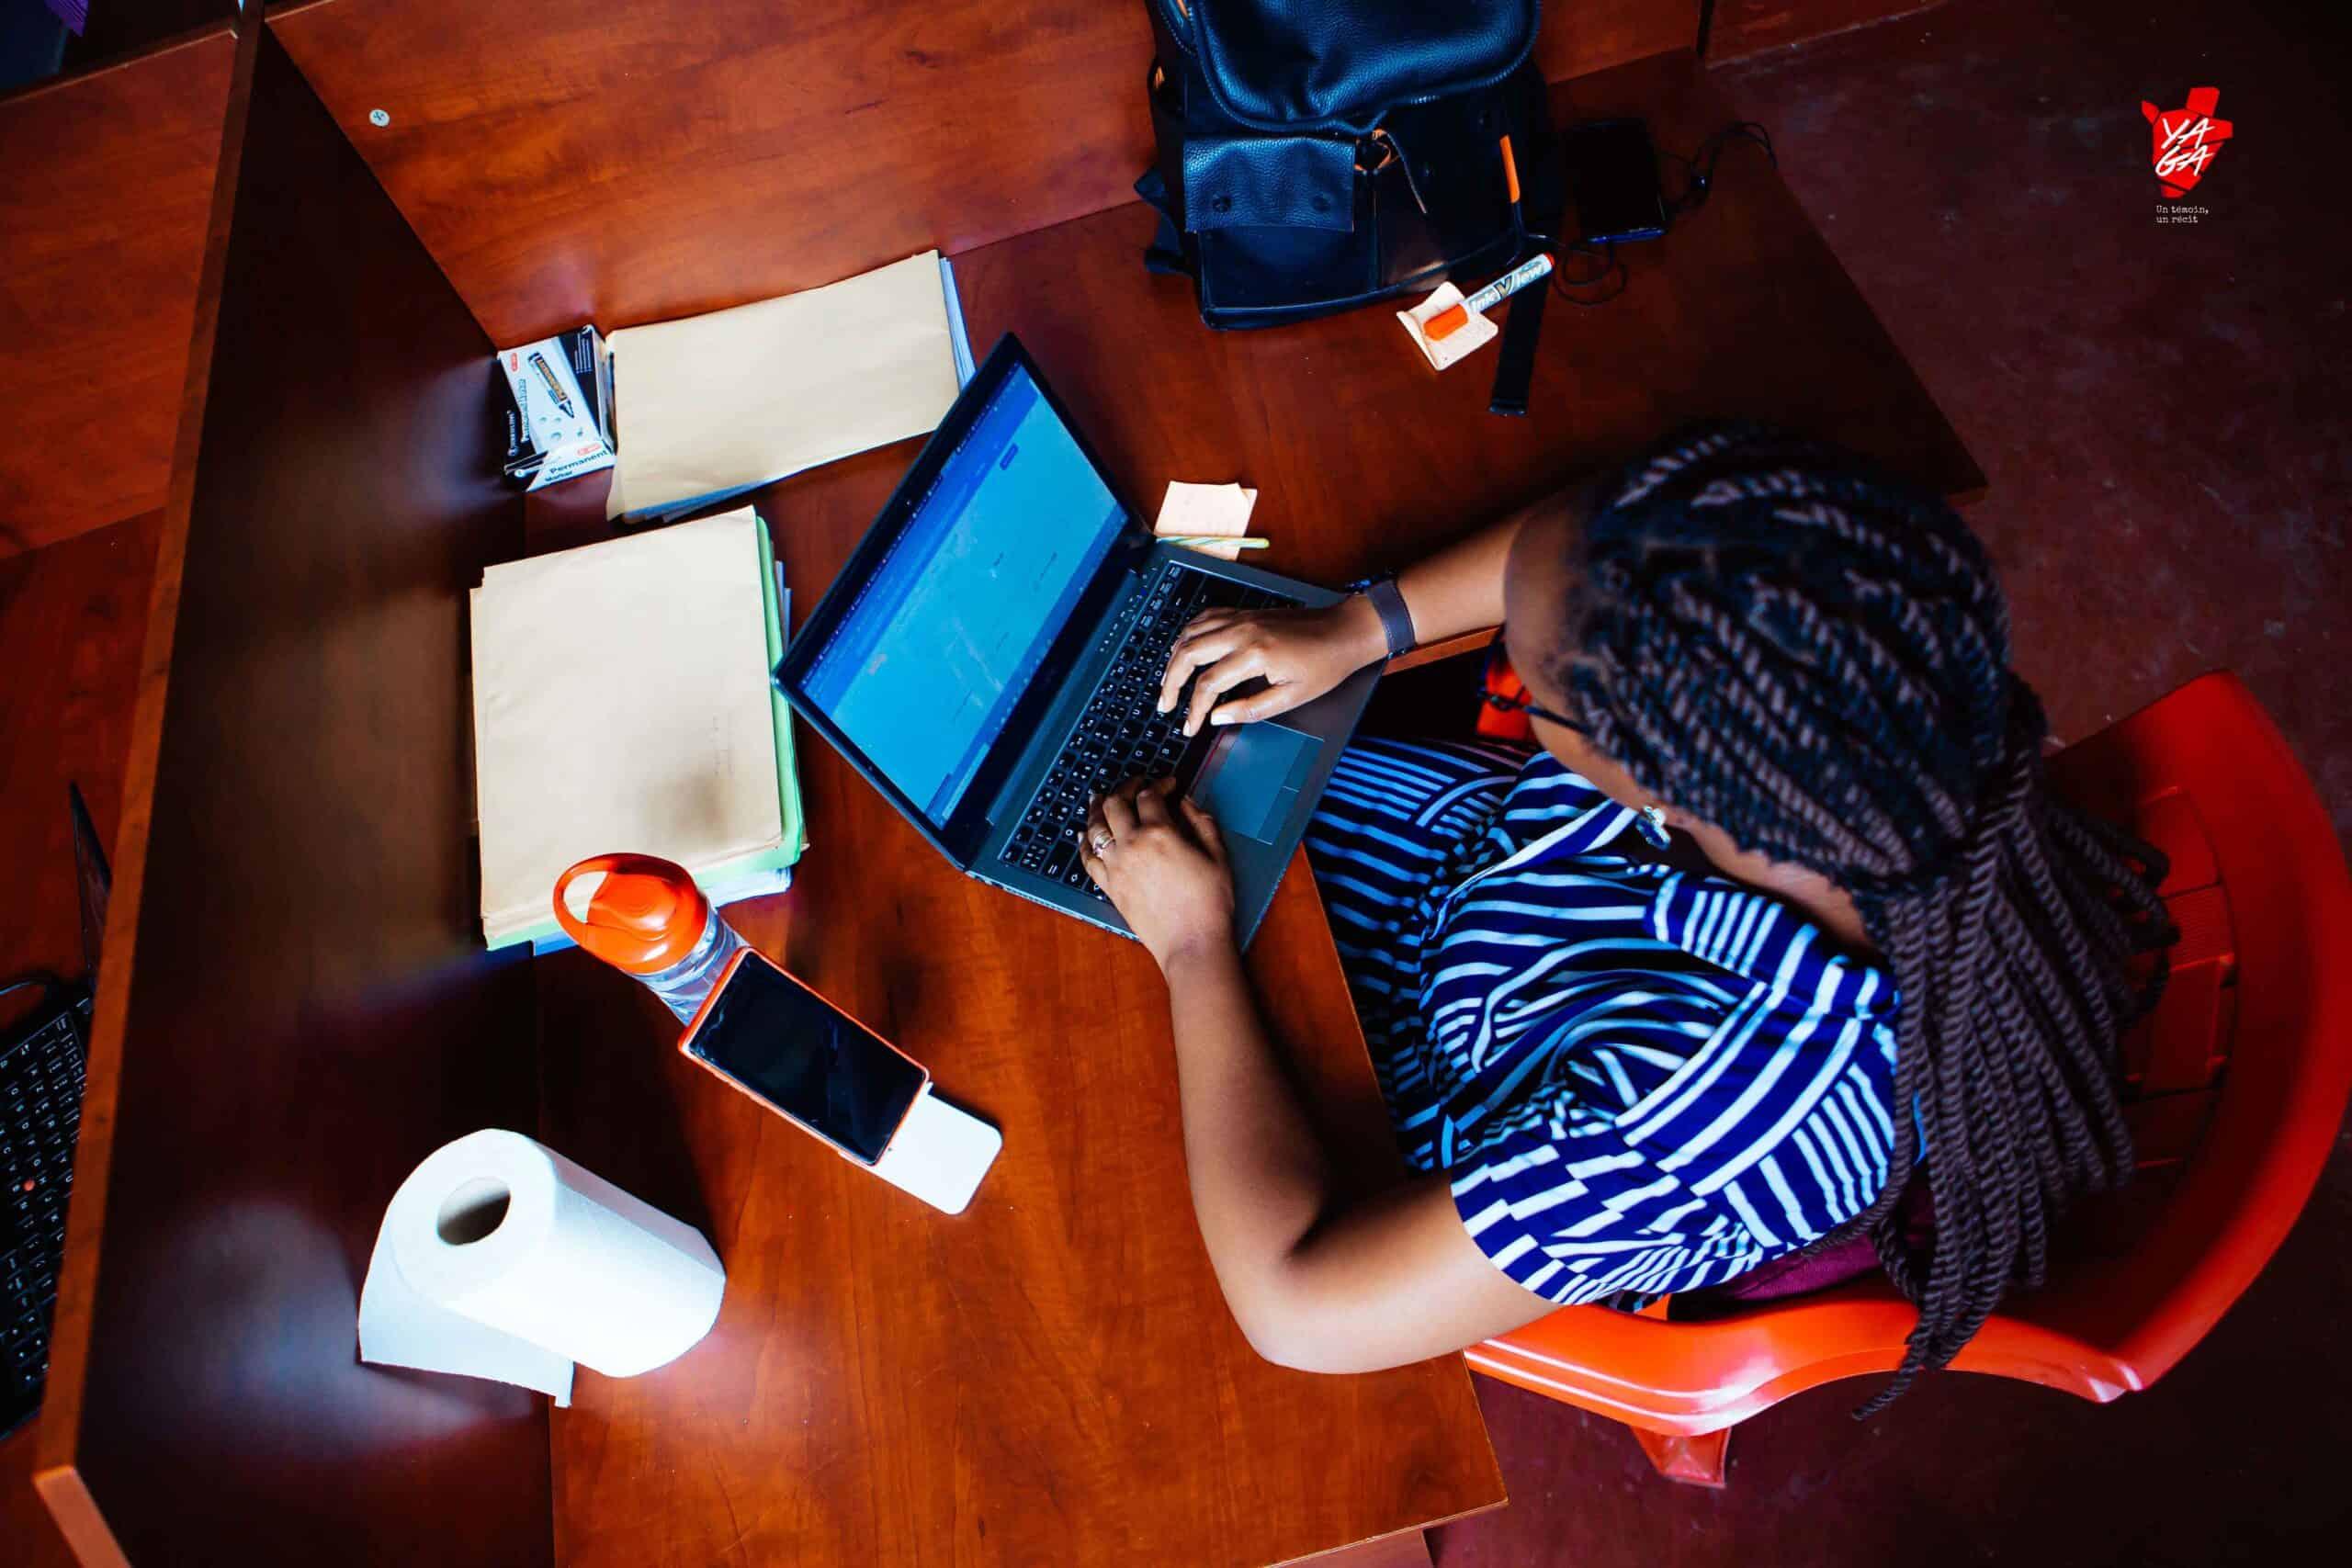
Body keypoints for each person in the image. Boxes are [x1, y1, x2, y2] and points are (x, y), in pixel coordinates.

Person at [1078, 424, 2168, 1408]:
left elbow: (1297, 1309)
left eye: (1538, 690)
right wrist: (1363, 629)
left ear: (1654, 780)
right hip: (1397, 861)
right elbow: (1584, 543)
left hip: (1306, 1050)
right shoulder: (1848, 730)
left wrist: (1191, 945)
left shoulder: (1715, 1117)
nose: (1515, 654)